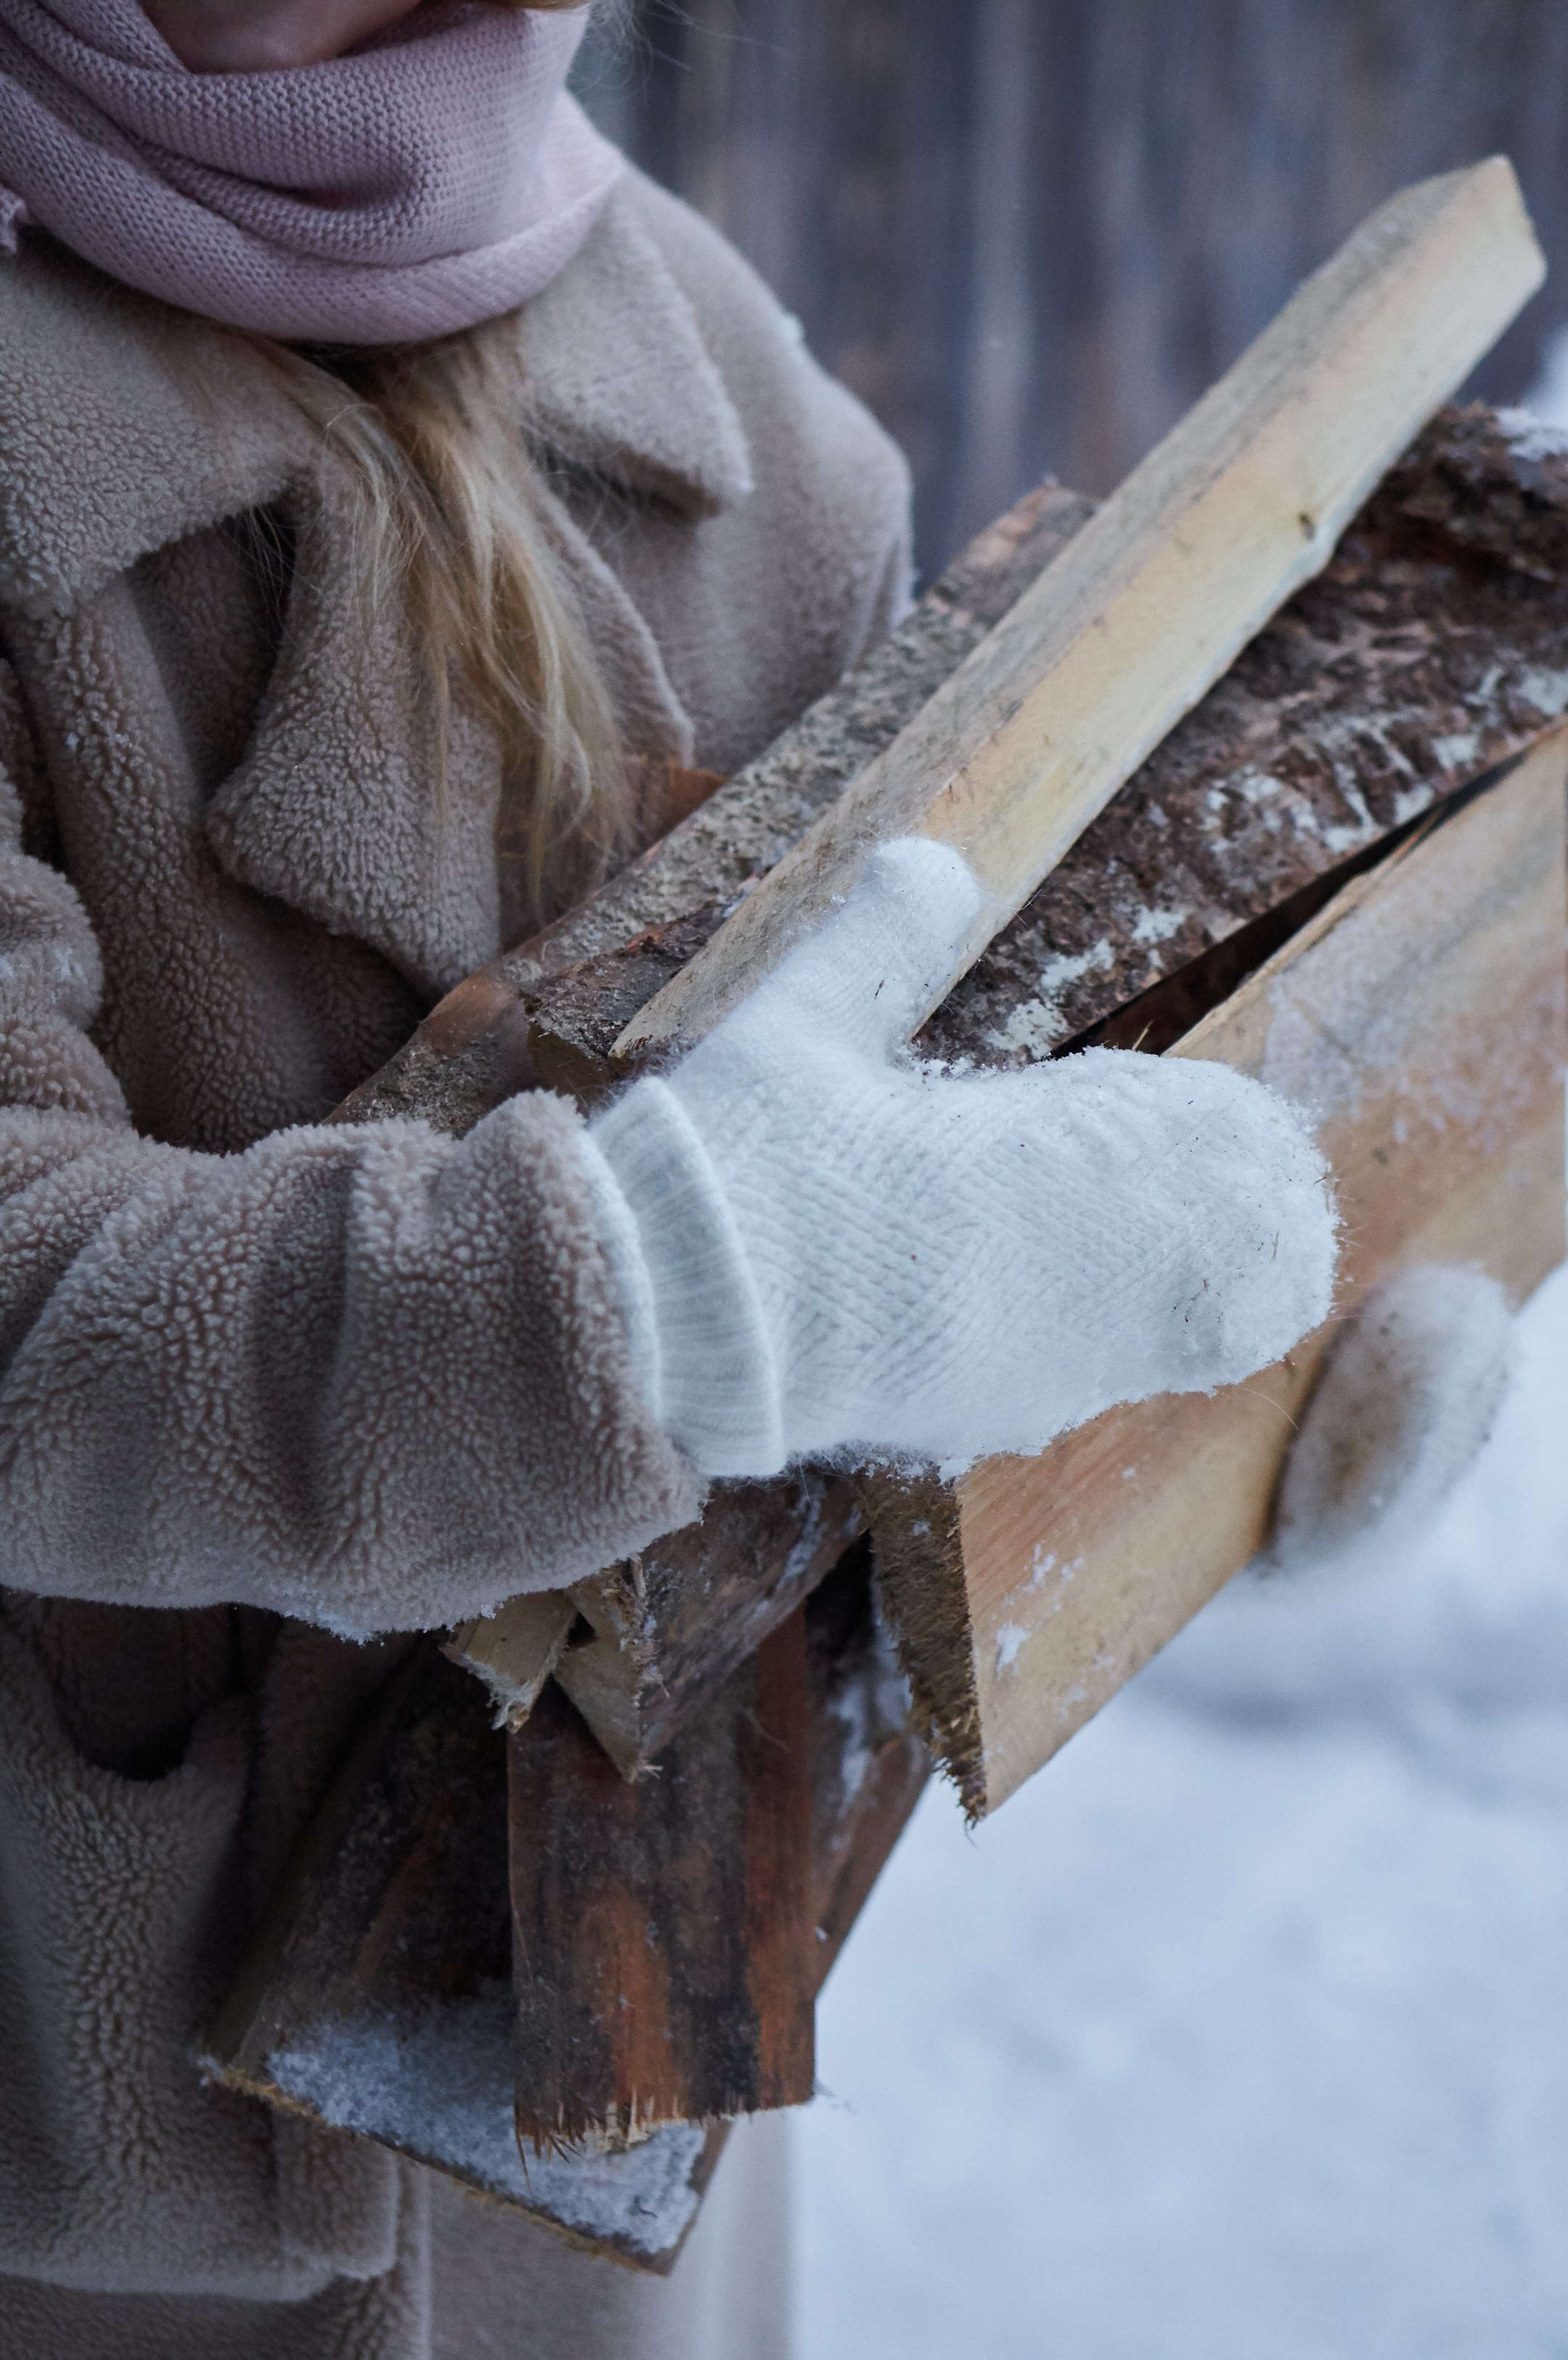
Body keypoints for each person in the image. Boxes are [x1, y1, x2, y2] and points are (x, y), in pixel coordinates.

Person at [0, 3, 1338, 2354]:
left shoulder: (761, 429)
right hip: (101, 2217)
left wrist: (1241, 1364)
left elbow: (896, 1299)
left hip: (612, 2187)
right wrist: (658, 1293)